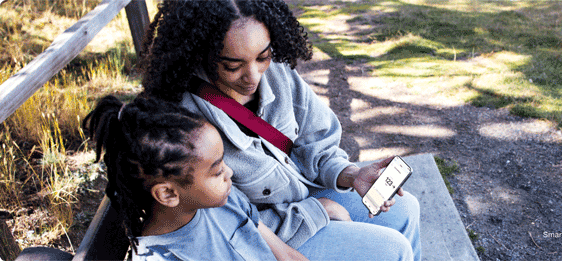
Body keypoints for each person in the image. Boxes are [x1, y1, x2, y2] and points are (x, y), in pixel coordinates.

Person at [140, 1, 420, 260]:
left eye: (263, 56)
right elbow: (225, 221)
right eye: (232, 65)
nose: (253, 77)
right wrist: (316, 211)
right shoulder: (185, 123)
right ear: (200, 52)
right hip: (267, 235)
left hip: (305, 198)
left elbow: (317, 143)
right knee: (391, 251)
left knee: (407, 211)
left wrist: (353, 174)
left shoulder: (278, 73)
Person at [82, 95, 309, 260]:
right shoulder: (164, 257)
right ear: (168, 193)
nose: (229, 173)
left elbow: (285, 255)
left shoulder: (223, 200)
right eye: (217, 170)